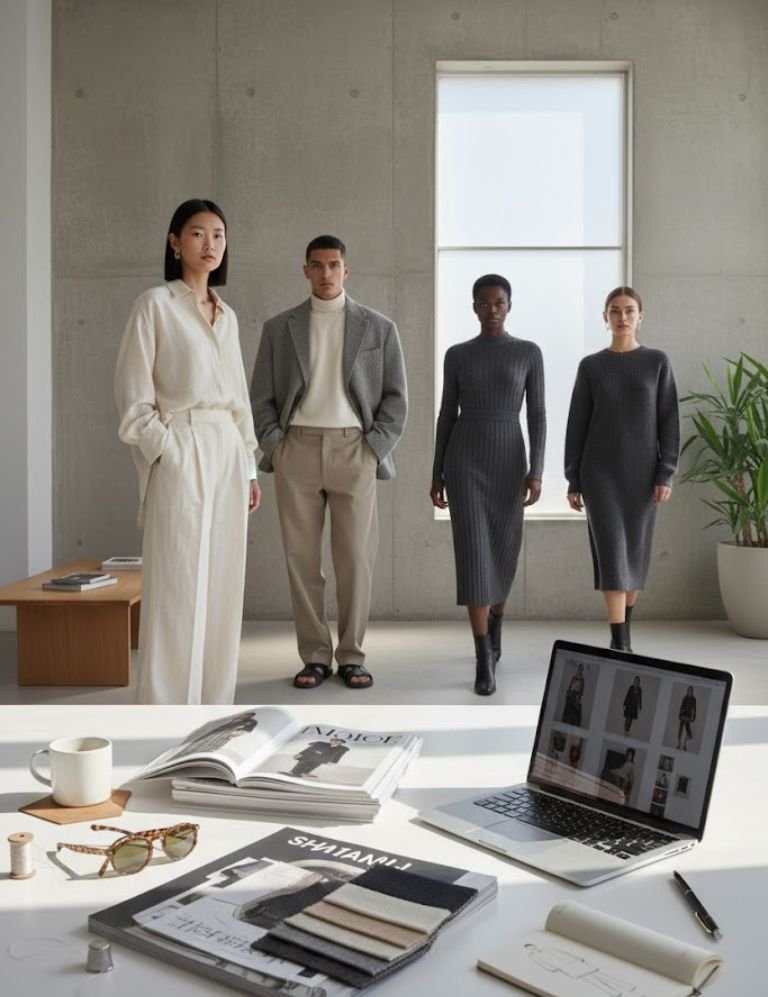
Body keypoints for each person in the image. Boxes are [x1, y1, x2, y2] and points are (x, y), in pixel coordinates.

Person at [114, 199, 260, 705]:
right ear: (175, 242)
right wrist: (167, 449)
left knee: (222, 585)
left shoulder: (229, 316)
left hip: (226, 451)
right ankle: (161, 712)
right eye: (198, 234)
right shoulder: (155, 305)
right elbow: (133, 400)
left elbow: (239, 399)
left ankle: (213, 711)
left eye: (218, 234)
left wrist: (248, 467)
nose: (210, 244)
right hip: (182, 446)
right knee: (176, 584)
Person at [250, 236, 407, 690]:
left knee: (356, 559)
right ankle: (315, 655)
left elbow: (397, 397)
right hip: (296, 448)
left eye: (334, 265)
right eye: (317, 266)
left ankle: (352, 655)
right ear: (305, 270)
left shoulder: (378, 328)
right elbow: (261, 396)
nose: (326, 273)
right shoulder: (280, 328)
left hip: (354, 449)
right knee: (302, 562)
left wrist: (375, 446)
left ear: (346, 270)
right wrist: (276, 445)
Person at [430, 275, 545, 695]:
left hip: (509, 460)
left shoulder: (528, 353)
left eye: (499, 302)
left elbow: (538, 416)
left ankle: (496, 624)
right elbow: (446, 414)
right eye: (483, 302)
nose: (491, 308)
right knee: (474, 556)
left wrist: (537, 471)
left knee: (503, 551)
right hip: (465, 461)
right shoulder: (458, 354)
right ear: (474, 307)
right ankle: (483, 659)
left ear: (509, 306)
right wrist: (436, 471)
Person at [564, 286, 679, 652]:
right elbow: (577, 424)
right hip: (600, 476)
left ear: (640, 316)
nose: (622, 317)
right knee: (614, 556)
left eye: (629, 310)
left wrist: (666, 473)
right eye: (615, 311)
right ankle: (620, 643)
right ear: (605, 317)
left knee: (636, 556)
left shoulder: (657, 362)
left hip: (643, 476)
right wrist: (573, 478)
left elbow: (669, 423)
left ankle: (624, 627)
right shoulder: (592, 366)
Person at [677, 686, 697, 750]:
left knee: (687, 730)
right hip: (683, 715)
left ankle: (684, 745)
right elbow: (681, 707)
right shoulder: (684, 698)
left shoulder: (694, 699)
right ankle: (679, 744)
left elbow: (694, 708)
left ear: (692, 691)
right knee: (681, 730)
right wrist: (680, 713)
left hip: (688, 715)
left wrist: (692, 717)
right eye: (688, 690)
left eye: (690, 690)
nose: (689, 692)